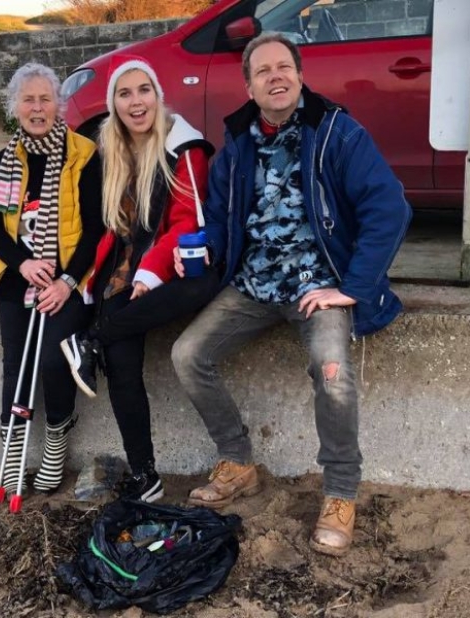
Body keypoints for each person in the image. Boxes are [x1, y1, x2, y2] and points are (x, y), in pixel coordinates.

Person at [171, 33, 411, 555]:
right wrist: (201, 248)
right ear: (250, 85)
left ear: (300, 76)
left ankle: (341, 493)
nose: (275, 77)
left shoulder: (336, 133)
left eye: (284, 67)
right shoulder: (237, 144)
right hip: (252, 287)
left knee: (332, 371)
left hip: (316, 288)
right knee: (188, 354)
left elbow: (388, 208)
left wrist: (351, 288)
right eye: (263, 71)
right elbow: (217, 216)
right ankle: (238, 463)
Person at [60, 56, 218, 503]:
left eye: (143, 90)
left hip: (170, 264)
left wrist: (151, 272)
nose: (135, 102)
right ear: (113, 103)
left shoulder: (183, 147)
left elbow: (187, 225)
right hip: (119, 271)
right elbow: (100, 225)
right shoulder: (107, 149)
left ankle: (89, 340)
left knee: (198, 286)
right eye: (124, 94)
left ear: (157, 95)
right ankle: (146, 476)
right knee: (122, 357)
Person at [0, 63, 104, 495]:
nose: (37, 108)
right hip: (19, 277)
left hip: (67, 277)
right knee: (16, 364)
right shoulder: (7, 160)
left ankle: (55, 442)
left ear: (58, 104)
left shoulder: (83, 154)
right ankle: (12, 451)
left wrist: (65, 281)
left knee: (52, 360)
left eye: (45, 99)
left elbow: (95, 229)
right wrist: (23, 265)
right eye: (28, 100)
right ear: (15, 107)